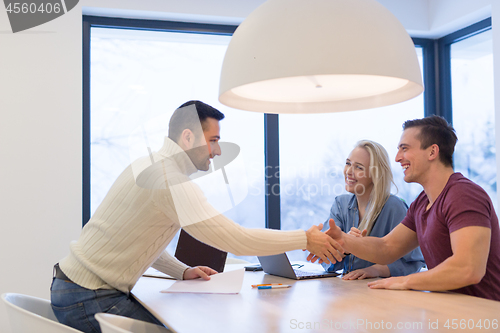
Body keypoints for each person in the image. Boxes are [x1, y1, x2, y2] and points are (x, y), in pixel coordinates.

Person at [51, 100, 343, 333]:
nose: (217, 151)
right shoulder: (170, 181)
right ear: (188, 137)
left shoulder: (147, 165)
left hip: (73, 287)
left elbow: (141, 239)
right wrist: (305, 238)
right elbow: (237, 240)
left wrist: (181, 271)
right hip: (88, 297)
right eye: (213, 140)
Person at [310, 116, 500, 301]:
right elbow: (387, 247)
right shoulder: (421, 203)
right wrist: (343, 240)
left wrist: (405, 281)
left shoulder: (463, 195)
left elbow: (468, 269)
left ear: (432, 152)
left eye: (405, 149)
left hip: (484, 313)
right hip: (450, 310)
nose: (397, 157)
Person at [322, 140, 425, 279]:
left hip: (382, 293)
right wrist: (344, 246)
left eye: (359, 167)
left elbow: (414, 263)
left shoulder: (394, 207)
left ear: (374, 175)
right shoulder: (340, 204)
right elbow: (325, 258)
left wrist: (376, 270)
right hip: (348, 289)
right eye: (348, 163)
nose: (349, 172)